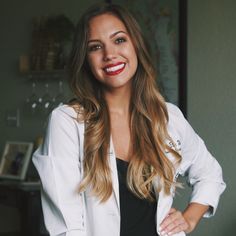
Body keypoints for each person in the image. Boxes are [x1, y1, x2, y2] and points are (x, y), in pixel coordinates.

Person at [33, 3, 226, 236]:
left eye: (119, 40)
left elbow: (210, 174)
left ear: (136, 45)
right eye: (95, 47)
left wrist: (189, 219)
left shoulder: (167, 117)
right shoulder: (67, 122)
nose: (109, 54)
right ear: (85, 59)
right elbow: (66, 228)